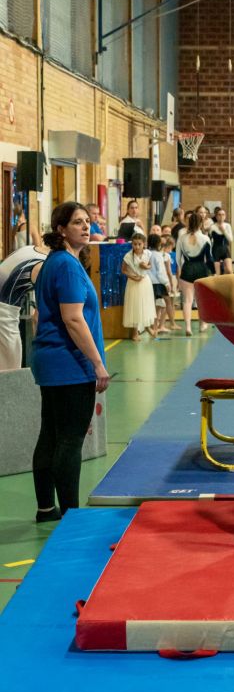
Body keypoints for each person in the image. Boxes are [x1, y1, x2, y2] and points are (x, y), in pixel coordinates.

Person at [30, 201, 109, 522]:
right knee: (70, 439)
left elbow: (38, 317)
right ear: (61, 229)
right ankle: (70, 513)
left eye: (87, 222)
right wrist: (97, 364)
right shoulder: (66, 266)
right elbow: (73, 319)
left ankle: (46, 508)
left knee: (50, 433)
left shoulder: (54, 262)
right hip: (68, 365)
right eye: (78, 222)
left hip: (50, 361)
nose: (86, 227)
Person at [0, 242, 49, 370]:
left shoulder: (29, 248)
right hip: (3, 314)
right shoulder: (44, 265)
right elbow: (38, 318)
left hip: (5, 311)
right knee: (10, 373)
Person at [176, 211, 213, 336]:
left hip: (187, 267)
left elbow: (177, 258)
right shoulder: (205, 238)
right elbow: (209, 258)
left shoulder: (182, 238)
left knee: (187, 300)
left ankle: (187, 327)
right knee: (200, 299)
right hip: (201, 268)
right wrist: (213, 273)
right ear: (201, 223)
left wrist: (182, 269)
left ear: (189, 222)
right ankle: (202, 324)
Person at [121, 232, 157, 340]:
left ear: (144, 244)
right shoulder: (128, 256)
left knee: (146, 305)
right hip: (133, 282)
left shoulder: (148, 254)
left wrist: (145, 266)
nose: (137, 246)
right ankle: (134, 333)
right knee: (135, 306)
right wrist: (132, 277)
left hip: (145, 282)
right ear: (132, 244)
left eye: (139, 244)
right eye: (134, 244)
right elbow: (123, 270)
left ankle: (147, 327)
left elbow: (150, 266)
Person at [146, 233, 169, 334]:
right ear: (158, 243)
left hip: (148, 282)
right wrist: (166, 283)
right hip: (158, 283)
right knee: (163, 304)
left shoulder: (146, 253)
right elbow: (161, 272)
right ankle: (157, 327)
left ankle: (154, 327)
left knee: (153, 306)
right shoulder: (158, 255)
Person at [210, 206, 234, 274]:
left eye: (223, 214)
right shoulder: (212, 227)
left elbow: (231, 239)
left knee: (229, 271)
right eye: (219, 215)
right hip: (215, 250)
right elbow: (209, 241)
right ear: (216, 216)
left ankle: (229, 283)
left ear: (225, 216)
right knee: (217, 273)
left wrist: (223, 230)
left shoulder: (227, 226)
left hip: (225, 249)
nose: (221, 216)